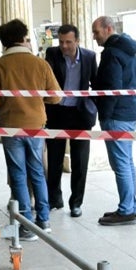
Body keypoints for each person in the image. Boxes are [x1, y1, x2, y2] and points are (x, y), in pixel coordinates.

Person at [0, 20, 62, 240]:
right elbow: (55, 96)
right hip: (36, 125)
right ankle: (43, 220)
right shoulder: (40, 64)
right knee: (37, 172)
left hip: (11, 128)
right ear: (23, 37)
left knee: (18, 174)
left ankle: (25, 225)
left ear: (3, 41)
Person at [43, 24, 98, 218]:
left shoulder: (90, 57)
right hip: (57, 113)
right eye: (61, 42)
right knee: (54, 159)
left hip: (80, 114)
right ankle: (54, 199)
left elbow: (96, 84)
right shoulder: (52, 54)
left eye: (68, 42)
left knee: (80, 161)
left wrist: (93, 106)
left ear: (77, 41)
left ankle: (76, 203)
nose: (64, 46)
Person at [91, 16, 136, 226]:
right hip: (129, 112)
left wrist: (105, 115)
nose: (94, 37)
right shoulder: (128, 49)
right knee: (127, 162)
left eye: (97, 32)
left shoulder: (112, 53)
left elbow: (112, 88)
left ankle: (127, 210)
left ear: (108, 28)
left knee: (120, 163)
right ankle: (130, 206)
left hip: (117, 115)